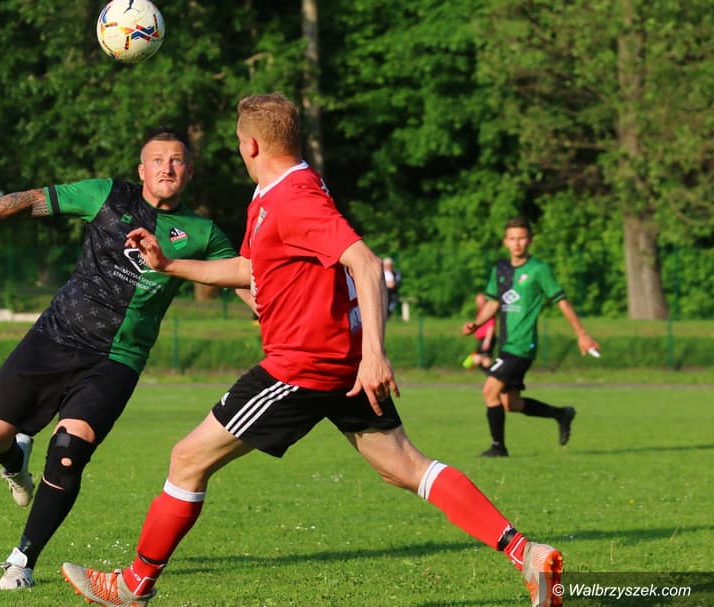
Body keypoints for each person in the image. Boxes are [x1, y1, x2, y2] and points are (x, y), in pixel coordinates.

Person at [61, 94, 564, 607]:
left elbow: (365, 263)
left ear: (250, 145)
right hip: (336, 362)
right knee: (404, 466)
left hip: (301, 366)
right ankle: (526, 553)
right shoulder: (276, 191)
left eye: (239, 143)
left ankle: (134, 585)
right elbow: (249, 269)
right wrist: (170, 265)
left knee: (187, 458)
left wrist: (375, 354)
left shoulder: (295, 198)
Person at [0, 128, 240, 592]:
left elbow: (242, 277)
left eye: (176, 160)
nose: (167, 167)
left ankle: (22, 560)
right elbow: (32, 199)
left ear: (188, 172)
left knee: (69, 451)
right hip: (54, 336)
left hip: (116, 359)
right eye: (157, 160)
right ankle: (15, 460)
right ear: (142, 170)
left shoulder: (202, 232)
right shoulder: (105, 195)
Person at [462, 217, 600, 458]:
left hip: (522, 344)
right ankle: (561, 414)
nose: (517, 243)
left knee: (489, 391)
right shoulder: (500, 269)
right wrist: (477, 323)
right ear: (505, 242)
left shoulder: (539, 270)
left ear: (530, 240)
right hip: (505, 344)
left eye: (522, 238)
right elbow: (493, 302)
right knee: (510, 403)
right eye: (512, 238)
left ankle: (498, 447)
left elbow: (562, 302)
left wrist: (582, 334)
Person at [462, 292, 495, 371]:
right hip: (482, 339)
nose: (478, 303)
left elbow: (491, 327)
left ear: (485, 301)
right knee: (484, 359)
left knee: (481, 358)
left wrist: (487, 340)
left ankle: (494, 374)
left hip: (486, 339)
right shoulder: (480, 312)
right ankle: (491, 374)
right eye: (477, 301)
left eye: (480, 301)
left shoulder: (488, 312)